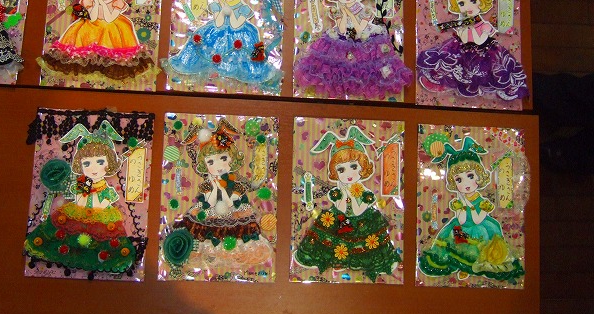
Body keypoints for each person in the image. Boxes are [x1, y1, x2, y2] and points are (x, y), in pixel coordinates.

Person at [294, 0, 412, 100]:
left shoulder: (365, 10)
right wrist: (344, 14)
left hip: (364, 36)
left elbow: (361, 29)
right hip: (344, 36)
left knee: (370, 65)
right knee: (334, 63)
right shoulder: (337, 10)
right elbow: (342, 29)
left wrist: (350, 14)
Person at [24, 120, 136, 276]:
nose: (94, 168)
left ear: (109, 163)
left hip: (101, 218)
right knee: (65, 233)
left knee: (104, 239)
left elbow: (104, 202)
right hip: (78, 214)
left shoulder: (105, 189)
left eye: (100, 162)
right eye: (87, 163)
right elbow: (79, 199)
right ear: (80, 165)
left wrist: (94, 200)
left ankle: (98, 259)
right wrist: (83, 196)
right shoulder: (84, 182)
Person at [294, 125, 401, 281]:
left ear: (362, 167)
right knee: (331, 235)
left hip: (362, 220)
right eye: (341, 170)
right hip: (340, 219)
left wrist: (355, 204)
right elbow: (340, 206)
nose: (349, 174)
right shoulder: (338, 191)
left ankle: (357, 261)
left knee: (366, 242)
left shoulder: (364, 192)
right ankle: (338, 261)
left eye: (353, 167)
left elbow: (360, 208)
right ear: (335, 172)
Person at [168, 0, 282, 85]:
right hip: (217, 33)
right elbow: (218, 23)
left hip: (240, 35)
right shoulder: (217, 5)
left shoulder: (243, 8)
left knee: (244, 52)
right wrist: (222, 11)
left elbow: (236, 24)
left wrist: (230, 12)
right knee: (204, 42)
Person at [418, 136, 525, 283]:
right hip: (462, 227)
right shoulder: (458, 202)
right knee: (455, 234)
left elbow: (477, 219)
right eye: (459, 180)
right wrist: (462, 205)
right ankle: (462, 265)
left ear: (478, 176)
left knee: (481, 238)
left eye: (470, 176)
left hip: (481, 228)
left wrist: (471, 205)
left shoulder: (483, 203)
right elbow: (462, 220)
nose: (466, 184)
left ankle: (475, 266)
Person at [167, 118, 272, 268]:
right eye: (211, 162)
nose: (218, 166)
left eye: (223, 158)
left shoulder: (236, 186)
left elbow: (232, 203)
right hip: (211, 213)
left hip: (233, 214)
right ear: (205, 165)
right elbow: (208, 203)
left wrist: (223, 190)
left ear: (232, 159)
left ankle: (233, 254)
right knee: (204, 232)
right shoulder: (207, 186)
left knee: (238, 236)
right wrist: (215, 188)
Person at [416, 0, 528, 100]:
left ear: (481, 2)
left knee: (486, 71)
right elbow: (462, 37)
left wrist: (472, 28)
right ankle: (448, 82)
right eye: (462, 3)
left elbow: (481, 40)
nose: (468, 7)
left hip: (483, 52)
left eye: (473, 1)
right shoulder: (462, 23)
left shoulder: (484, 25)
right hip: (460, 49)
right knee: (449, 62)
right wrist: (463, 27)